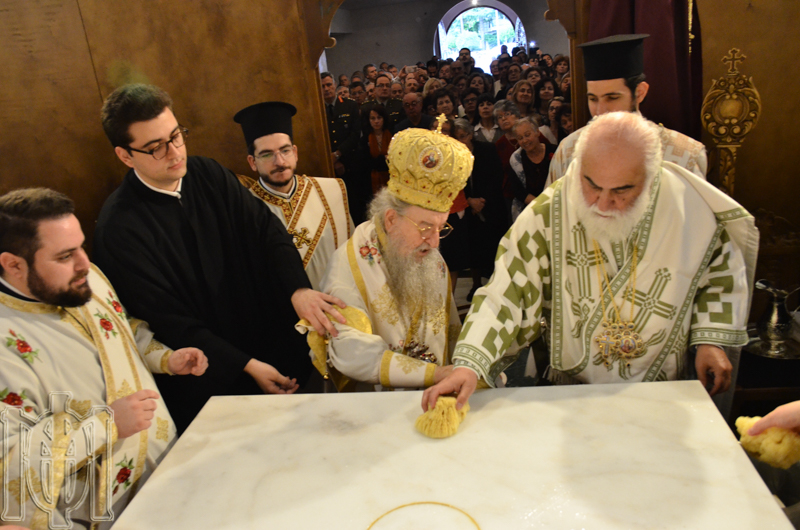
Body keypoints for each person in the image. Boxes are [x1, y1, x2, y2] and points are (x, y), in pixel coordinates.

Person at [422, 111, 758, 412]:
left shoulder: (686, 208)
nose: (603, 203)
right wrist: (470, 363)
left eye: (622, 191)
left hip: (662, 387)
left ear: (650, 177)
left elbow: (718, 276)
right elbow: (507, 294)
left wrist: (709, 341)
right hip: (572, 390)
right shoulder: (550, 212)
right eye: (592, 186)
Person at [93, 84, 346, 433]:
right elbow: (169, 321)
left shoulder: (206, 173)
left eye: (176, 136)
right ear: (125, 155)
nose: (174, 152)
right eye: (156, 147)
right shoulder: (119, 227)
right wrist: (245, 365)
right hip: (212, 379)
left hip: (273, 345)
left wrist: (297, 290)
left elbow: (266, 232)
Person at [0, 188, 208, 528]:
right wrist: (106, 426)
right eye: (65, 256)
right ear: (13, 264)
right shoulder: (4, 343)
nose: (84, 263)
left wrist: (164, 358)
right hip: (111, 514)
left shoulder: (85, 278)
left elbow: (119, 326)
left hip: (168, 468)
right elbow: (11, 465)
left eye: (81, 246)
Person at [303, 121, 472, 391]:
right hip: (378, 403)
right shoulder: (349, 265)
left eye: (441, 227)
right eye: (425, 227)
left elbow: (450, 334)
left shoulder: (431, 258)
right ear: (391, 219)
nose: (434, 241)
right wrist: (435, 374)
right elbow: (351, 352)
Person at [546, 34, 708, 186]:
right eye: (593, 99)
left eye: (612, 98)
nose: (600, 111)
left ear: (640, 93)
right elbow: (552, 205)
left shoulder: (684, 154)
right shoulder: (569, 150)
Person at [233, 101, 353, 290]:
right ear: (252, 162)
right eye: (267, 154)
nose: (280, 162)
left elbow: (353, 258)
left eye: (285, 150)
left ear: (295, 153)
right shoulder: (243, 210)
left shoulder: (332, 191)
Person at [452, 120, 508, 301]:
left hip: (490, 204)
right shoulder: (452, 156)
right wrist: (470, 201)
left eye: (463, 136)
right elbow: (454, 183)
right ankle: (476, 284)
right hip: (468, 206)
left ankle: (497, 285)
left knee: (494, 246)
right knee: (473, 248)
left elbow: (496, 175)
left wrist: (482, 201)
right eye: (456, 137)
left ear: (471, 135)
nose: (461, 141)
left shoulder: (487, 149)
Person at [321, 72, 365, 220]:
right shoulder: (317, 109)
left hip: (351, 161)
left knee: (356, 205)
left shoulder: (349, 105)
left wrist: (338, 154)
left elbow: (355, 133)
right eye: (322, 86)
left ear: (335, 85)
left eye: (329, 85)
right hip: (330, 165)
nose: (326, 89)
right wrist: (332, 159)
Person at [507, 118, 556, 220]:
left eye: (527, 135)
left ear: (537, 132)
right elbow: (518, 191)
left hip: (556, 205)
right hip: (530, 211)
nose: (525, 140)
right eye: (520, 138)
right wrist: (542, 206)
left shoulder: (555, 151)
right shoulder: (516, 159)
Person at [361, 104, 392, 194]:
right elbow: (366, 162)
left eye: (379, 118)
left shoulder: (392, 135)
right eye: (373, 118)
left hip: (391, 176)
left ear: (384, 118)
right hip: (371, 180)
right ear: (368, 120)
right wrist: (383, 158)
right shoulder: (365, 139)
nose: (376, 121)